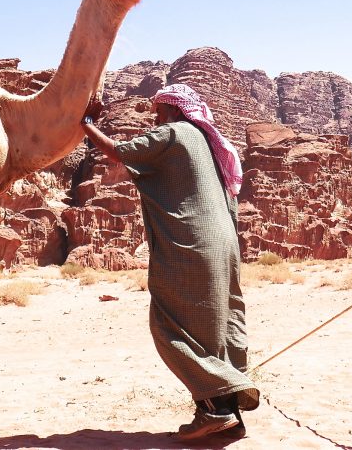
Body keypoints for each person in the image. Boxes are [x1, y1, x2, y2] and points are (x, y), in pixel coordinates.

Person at [80, 83, 259, 441]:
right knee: (217, 322)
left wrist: (84, 123)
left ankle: (217, 408)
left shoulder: (174, 132)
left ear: (175, 110)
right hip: (224, 244)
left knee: (170, 323)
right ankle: (225, 409)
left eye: (159, 111)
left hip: (192, 243)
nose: (155, 118)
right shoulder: (207, 141)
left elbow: (119, 151)